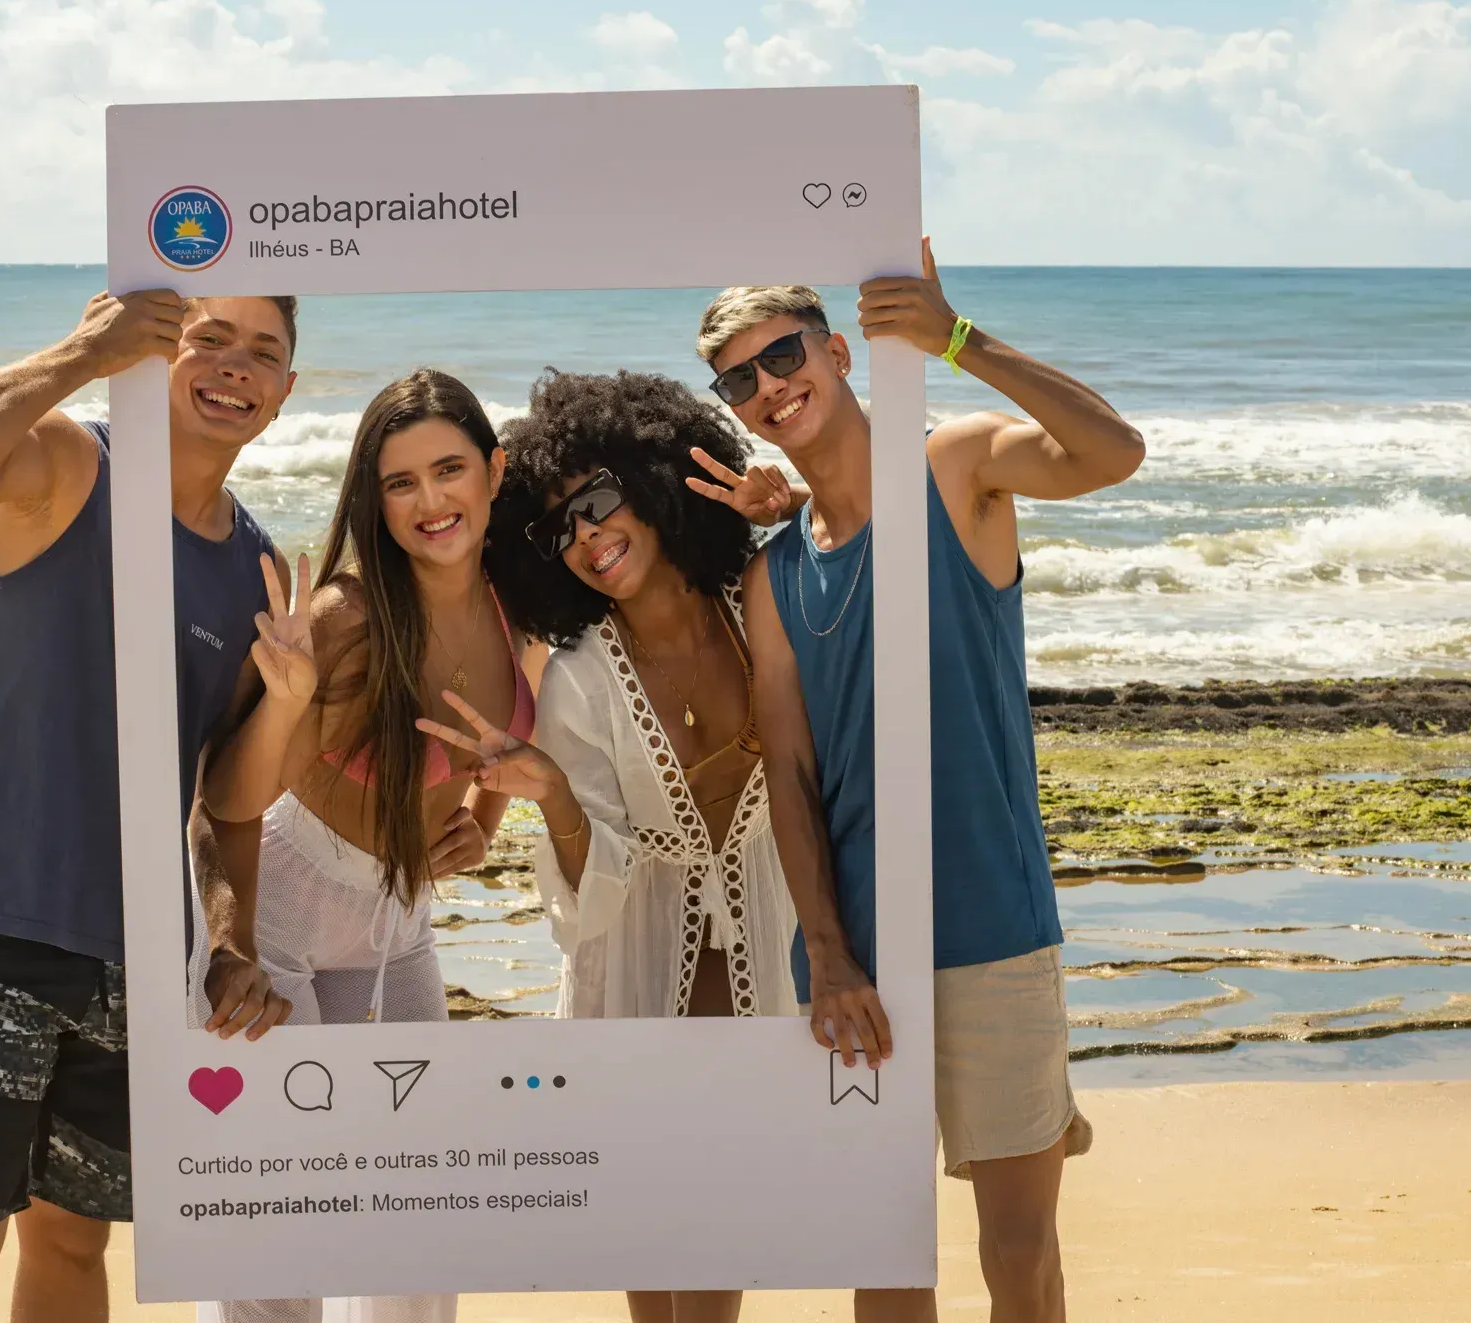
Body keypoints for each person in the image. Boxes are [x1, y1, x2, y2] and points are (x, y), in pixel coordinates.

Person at [694, 244, 1146, 1323]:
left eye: (784, 355)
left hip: (995, 922)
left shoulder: (955, 466)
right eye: (738, 380)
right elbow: (790, 773)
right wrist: (830, 952)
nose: (769, 387)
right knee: (886, 1260)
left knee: (1021, 1255)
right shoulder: (774, 572)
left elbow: (1114, 451)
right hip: (855, 959)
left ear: (839, 352)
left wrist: (955, 337)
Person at [0, 290, 297, 1323]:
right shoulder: (71, 464)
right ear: (159, 350)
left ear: (286, 391)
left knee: (74, 1246)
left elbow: (223, 794)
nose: (234, 366)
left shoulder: (260, 570)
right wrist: (84, 351)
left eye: (263, 352)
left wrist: (231, 940)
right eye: (210, 338)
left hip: (141, 960)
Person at [437, 368, 797, 1323]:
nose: (586, 537)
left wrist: (796, 509)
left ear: (653, 480)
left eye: (596, 502)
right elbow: (594, 887)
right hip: (630, 964)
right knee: (650, 1212)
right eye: (558, 529)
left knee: (724, 1207)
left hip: (771, 946)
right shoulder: (581, 679)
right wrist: (551, 793)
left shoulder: (764, 604)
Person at [199, 369, 529, 1323]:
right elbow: (229, 799)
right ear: (373, 501)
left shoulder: (518, 600)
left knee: (420, 1204)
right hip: (285, 902)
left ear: (495, 471)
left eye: (449, 469)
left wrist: (481, 822)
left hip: (400, 919)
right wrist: (290, 702)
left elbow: (511, 732)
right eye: (400, 483)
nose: (431, 501)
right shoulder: (345, 620)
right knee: (286, 1210)